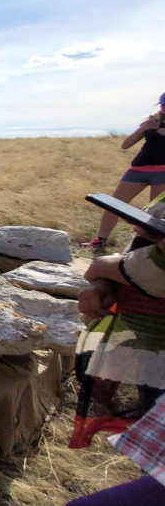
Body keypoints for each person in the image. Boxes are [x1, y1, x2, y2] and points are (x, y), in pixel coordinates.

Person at [63, 221, 165, 506]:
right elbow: (144, 253)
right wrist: (107, 278)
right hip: (153, 353)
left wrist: (106, 267)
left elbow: (152, 268)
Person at [69, 191, 165, 449]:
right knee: (151, 429)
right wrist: (105, 283)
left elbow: (157, 270)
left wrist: (104, 266)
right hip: (149, 342)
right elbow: (140, 246)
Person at [84, 92, 165, 250]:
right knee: (114, 205)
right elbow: (125, 145)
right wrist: (142, 130)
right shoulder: (152, 120)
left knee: (154, 215)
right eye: (162, 105)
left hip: (162, 172)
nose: (163, 108)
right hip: (139, 168)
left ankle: (146, 249)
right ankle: (100, 241)